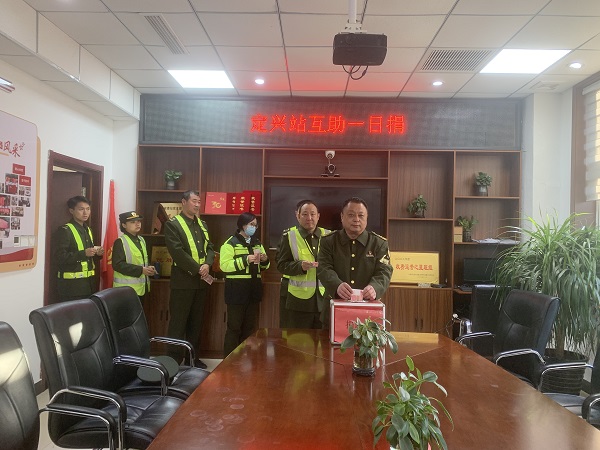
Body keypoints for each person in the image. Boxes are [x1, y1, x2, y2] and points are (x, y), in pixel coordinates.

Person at [317, 197, 393, 326]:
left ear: (366, 218)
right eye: (351, 215)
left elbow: (384, 271)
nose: (356, 219)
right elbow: (323, 268)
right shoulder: (328, 241)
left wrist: (375, 288)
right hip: (334, 310)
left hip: (368, 312)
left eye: (361, 215)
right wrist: (337, 285)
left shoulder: (379, 243)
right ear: (342, 217)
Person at [164, 190, 215, 369]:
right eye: (194, 201)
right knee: (178, 323)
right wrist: (198, 268)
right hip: (183, 281)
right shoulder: (173, 225)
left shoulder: (202, 224)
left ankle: (192, 358)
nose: (197, 205)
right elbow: (177, 252)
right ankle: (173, 361)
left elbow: (210, 247)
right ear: (184, 202)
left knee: (196, 323)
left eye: (199, 201)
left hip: (201, 282)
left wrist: (208, 264)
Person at [220, 212, 269, 357]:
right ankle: (229, 360)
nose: (254, 227)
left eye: (255, 225)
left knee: (249, 328)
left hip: (253, 290)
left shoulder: (257, 243)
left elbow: (264, 267)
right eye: (251, 224)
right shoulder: (230, 243)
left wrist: (265, 260)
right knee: (234, 328)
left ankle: (246, 360)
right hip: (236, 291)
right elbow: (225, 265)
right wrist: (245, 260)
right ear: (242, 225)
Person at [276, 200, 330, 329]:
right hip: (298, 302)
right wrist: (300, 266)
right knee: (297, 339)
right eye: (305, 214)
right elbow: (281, 265)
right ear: (297, 215)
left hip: (324, 300)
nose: (309, 218)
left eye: (313, 214)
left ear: (318, 216)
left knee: (322, 340)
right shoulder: (289, 236)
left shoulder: (329, 236)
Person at [54, 195, 104, 302]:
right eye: (81, 209)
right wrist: (83, 253)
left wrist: (97, 254)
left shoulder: (88, 230)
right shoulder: (65, 230)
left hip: (89, 284)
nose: (85, 213)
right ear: (71, 211)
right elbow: (59, 257)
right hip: (71, 287)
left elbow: (89, 257)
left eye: (88, 209)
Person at [112, 210, 156, 300]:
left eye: (138, 221)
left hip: (141, 288)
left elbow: (141, 261)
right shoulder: (120, 242)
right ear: (124, 225)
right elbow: (117, 265)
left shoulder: (141, 240)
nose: (137, 224)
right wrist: (141, 270)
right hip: (126, 290)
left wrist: (149, 267)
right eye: (132, 222)